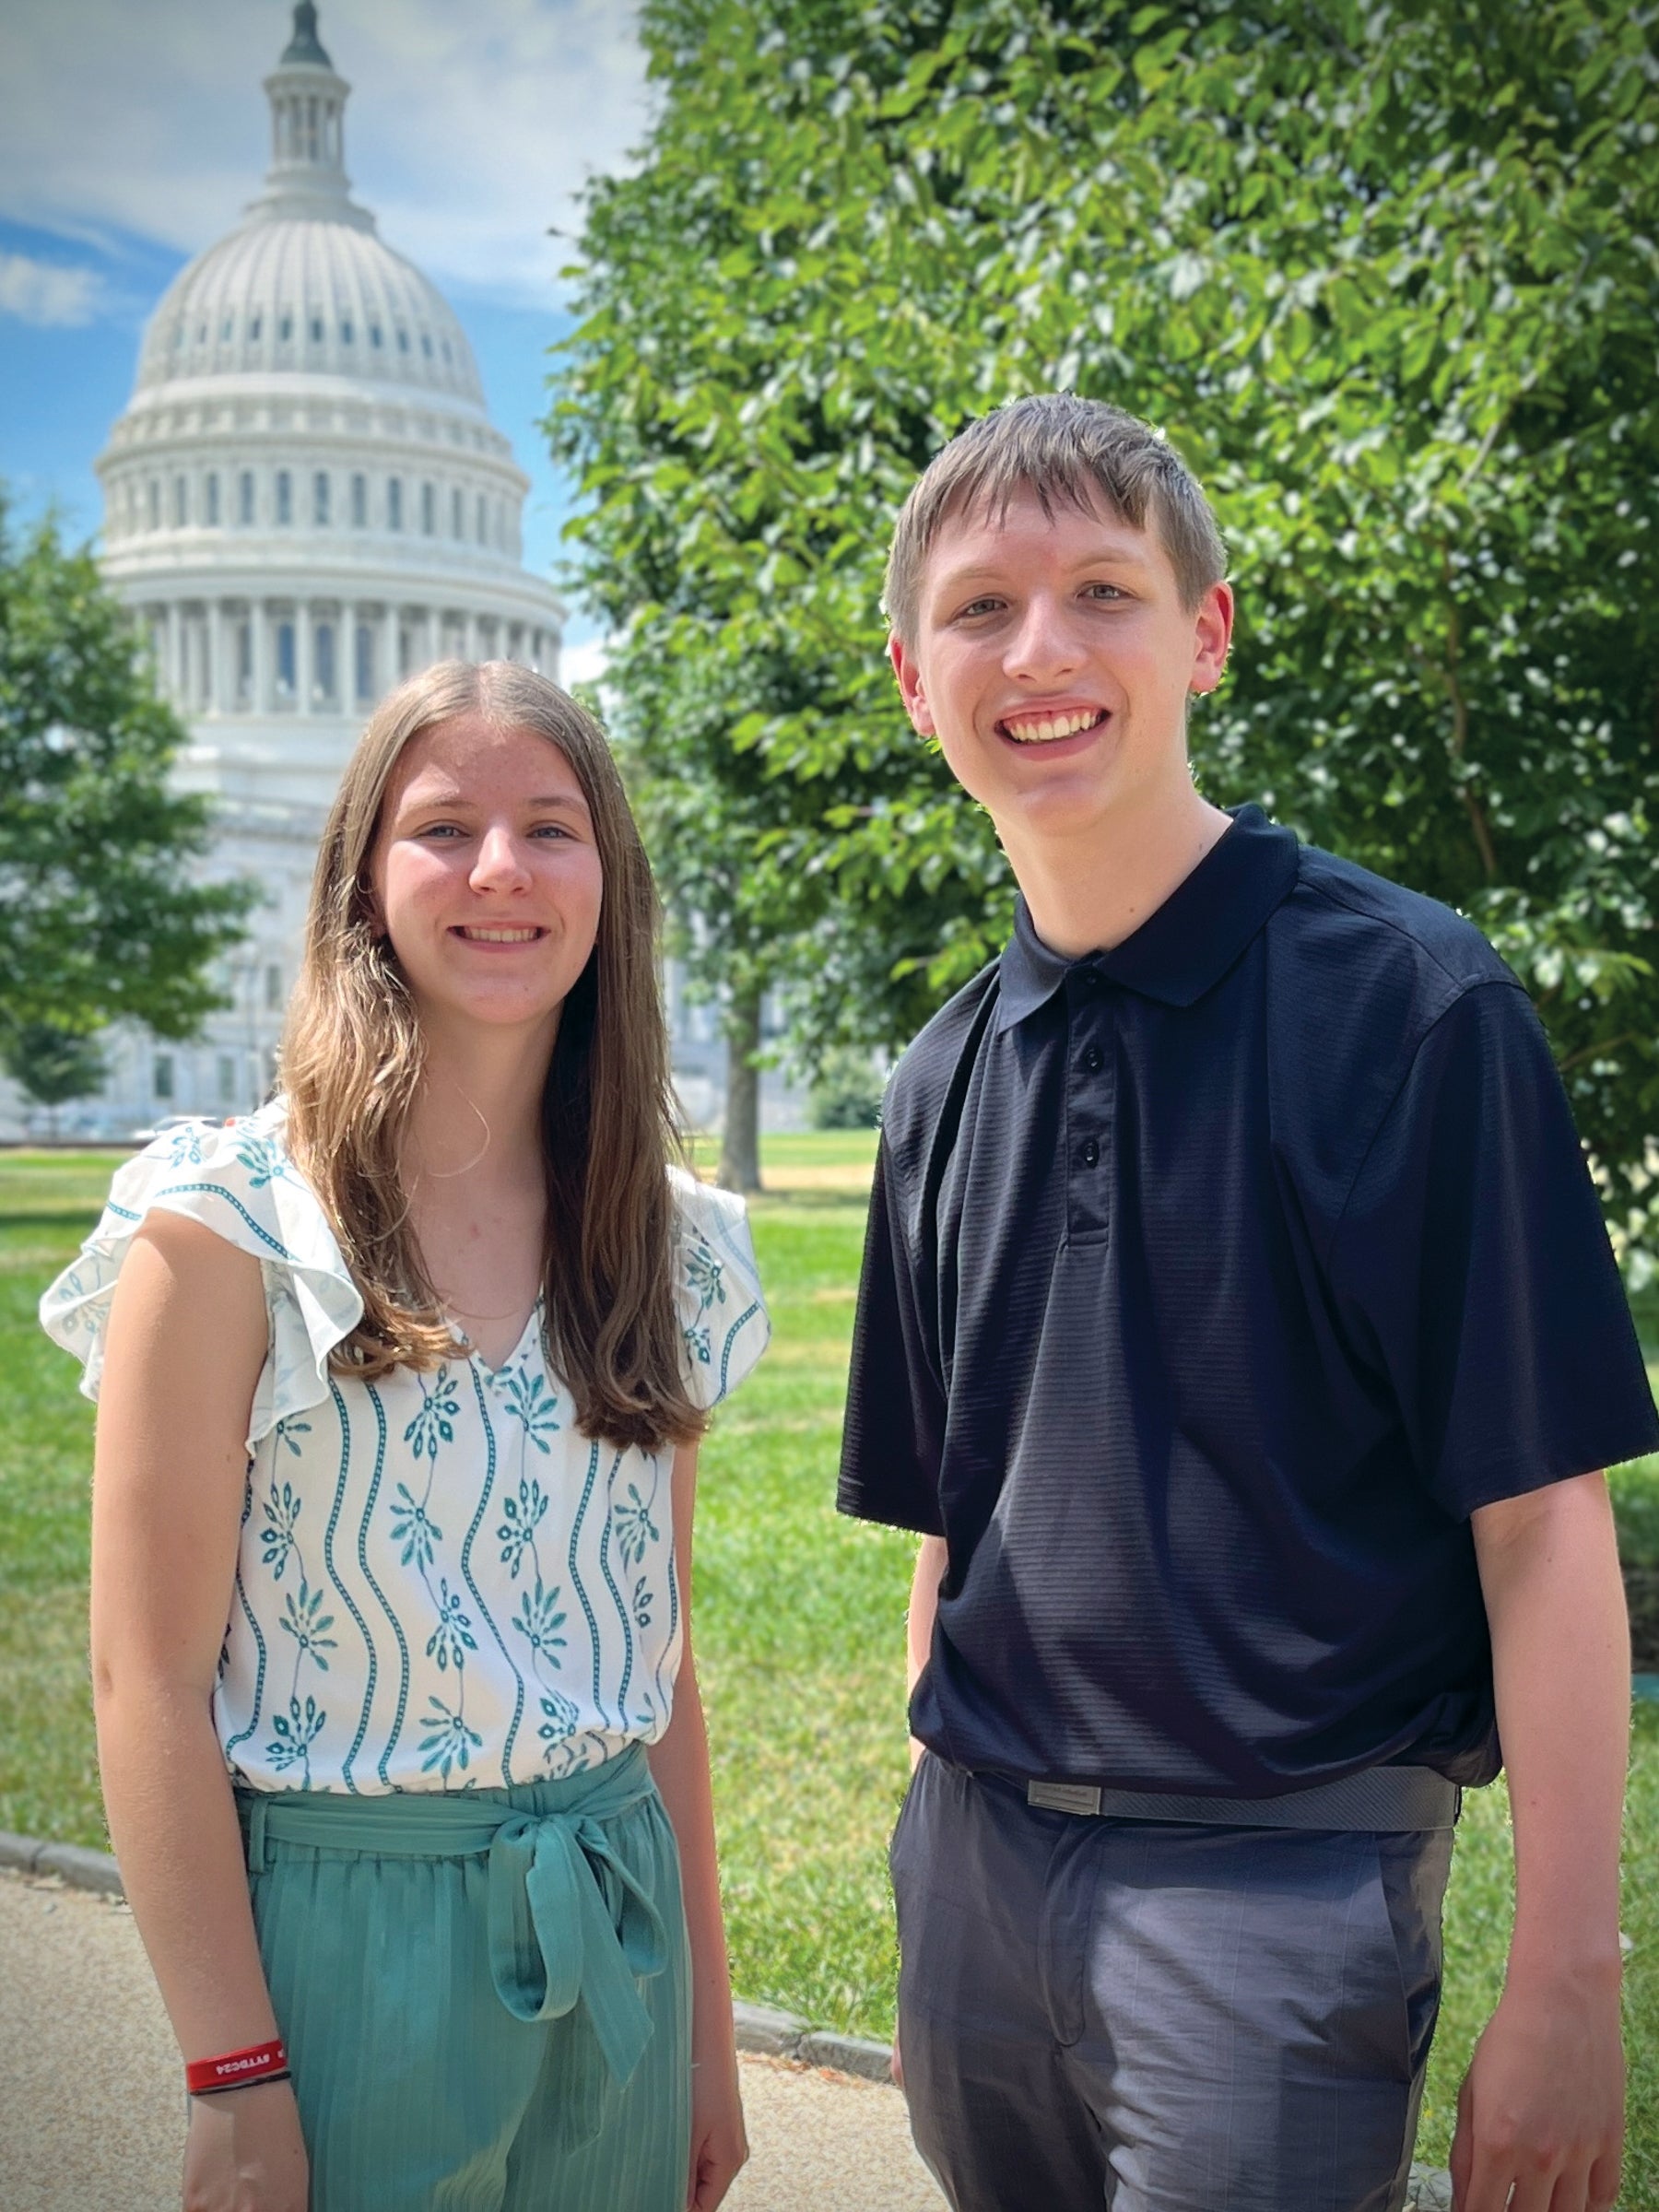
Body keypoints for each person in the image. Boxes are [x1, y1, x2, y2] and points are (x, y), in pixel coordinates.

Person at [837, 393, 1659, 2212]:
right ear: (914, 678)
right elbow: (952, 1530)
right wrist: (935, 1881)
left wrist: (1567, 1982)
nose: (1039, 652)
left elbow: (1544, 1528)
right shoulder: (939, 1078)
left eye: (1102, 592)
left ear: (1204, 632)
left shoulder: (1414, 1007)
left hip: (1283, 1895)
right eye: (980, 609)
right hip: (977, 1873)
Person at [41, 662, 769, 2212]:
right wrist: (234, 2081)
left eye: (551, 828)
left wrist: (710, 2025)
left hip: (617, 1912)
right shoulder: (229, 1223)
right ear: (363, 881)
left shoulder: (667, 1242)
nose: (501, 870)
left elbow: (663, 1650)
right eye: (444, 826)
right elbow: (143, 1676)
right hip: (344, 1939)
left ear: (607, 883)